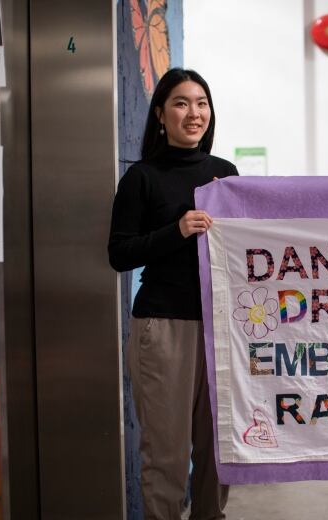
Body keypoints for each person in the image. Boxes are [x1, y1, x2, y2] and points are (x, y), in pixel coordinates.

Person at [108, 68, 237, 519]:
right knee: (165, 454)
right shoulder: (141, 177)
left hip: (221, 329)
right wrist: (177, 230)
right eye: (181, 103)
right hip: (163, 328)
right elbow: (120, 254)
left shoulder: (225, 175)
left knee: (217, 451)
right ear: (161, 115)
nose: (194, 112)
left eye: (201, 102)